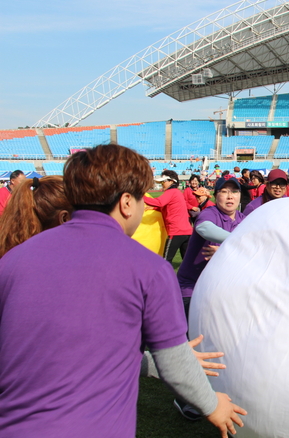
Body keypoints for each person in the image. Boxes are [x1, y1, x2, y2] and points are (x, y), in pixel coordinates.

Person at [0, 145, 246, 438]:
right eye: (143, 198)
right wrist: (213, 405)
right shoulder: (149, 268)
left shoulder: (14, 259)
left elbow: (85, 350)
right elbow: (174, 367)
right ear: (127, 203)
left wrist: (151, 362)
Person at [179, 177, 246, 319]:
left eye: (234, 191)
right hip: (192, 289)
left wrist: (225, 252)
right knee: (187, 337)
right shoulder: (210, 213)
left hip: (220, 290)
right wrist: (233, 244)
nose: (230, 196)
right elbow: (204, 228)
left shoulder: (243, 219)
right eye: (224, 191)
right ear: (216, 196)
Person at [145, 170, 193, 265]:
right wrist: (154, 208)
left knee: (166, 261)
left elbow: (159, 202)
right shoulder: (177, 192)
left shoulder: (171, 192)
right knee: (188, 262)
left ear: (172, 181)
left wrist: (139, 197)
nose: (162, 184)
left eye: (164, 181)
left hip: (176, 231)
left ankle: (165, 279)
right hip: (187, 231)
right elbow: (168, 207)